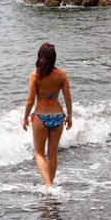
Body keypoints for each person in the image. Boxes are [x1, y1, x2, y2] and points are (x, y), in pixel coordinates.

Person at [22, 42, 72, 189]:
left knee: (39, 153)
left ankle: (48, 185)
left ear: (40, 56)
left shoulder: (35, 75)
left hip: (40, 117)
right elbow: (68, 98)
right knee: (52, 153)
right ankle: (50, 184)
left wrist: (25, 117)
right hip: (58, 116)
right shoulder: (62, 75)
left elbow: (30, 100)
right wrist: (69, 115)